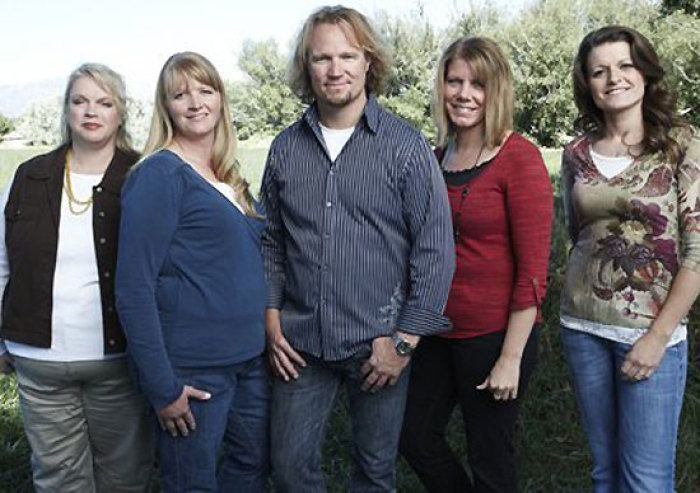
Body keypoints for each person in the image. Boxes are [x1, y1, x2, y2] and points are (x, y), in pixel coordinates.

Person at [259, 5, 455, 492]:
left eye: (347, 55)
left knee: (374, 472)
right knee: (288, 469)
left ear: (368, 62)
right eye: (322, 57)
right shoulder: (285, 148)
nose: (335, 68)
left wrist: (405, 343)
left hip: (379, 345)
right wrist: (271, 319)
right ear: (308, 66)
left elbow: (434, 251)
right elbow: (271, 241)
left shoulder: (405, 147)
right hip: (300, 344)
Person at [399, 37, 553, 492]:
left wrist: (511, 357)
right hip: (435, 332)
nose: (464, 94)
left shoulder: (518, 158)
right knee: (415, 436)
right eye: (454, 81)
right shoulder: (434, 159)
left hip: (493, 338)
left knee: (490, 456)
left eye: (477, 84)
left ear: (496, 91)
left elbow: (532, 273)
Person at [115, 52, 269, 492]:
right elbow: (133, 288)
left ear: (221, 99)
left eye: (205, 90)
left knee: (251, 465)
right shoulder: (159, 175)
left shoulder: (226, 176)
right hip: (193, 369)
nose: (195, 102)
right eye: (180, 94)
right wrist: (162, 387)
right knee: (192, 482)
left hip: (248, 360)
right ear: (165, 107)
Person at [0, 63, 154, 492]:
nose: (91, 111)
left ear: (120, 112)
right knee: (58, 479)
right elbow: (1, 263)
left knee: (125, 475)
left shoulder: (144, 175)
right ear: (66, 110)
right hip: (38, 359)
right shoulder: (28, 176)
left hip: (120, 358)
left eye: (104, 102)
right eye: (80, 100)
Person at [560, 25, 700, 492]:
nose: (612, 78)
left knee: (646, 481)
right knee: (605, 473)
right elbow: (576, 233)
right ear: (588, 84)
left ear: (644, 72)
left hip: (651, 334)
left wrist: (658, 338)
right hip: (582, 328)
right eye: (598, 71)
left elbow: (698, 251)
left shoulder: (682, 144)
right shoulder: (576, 153)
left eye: (624, 65)